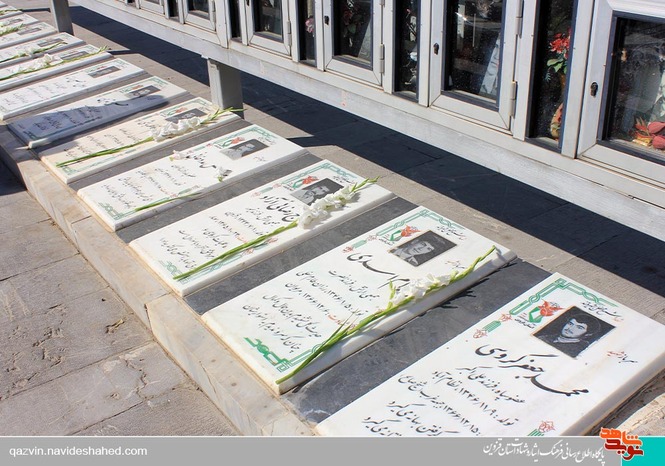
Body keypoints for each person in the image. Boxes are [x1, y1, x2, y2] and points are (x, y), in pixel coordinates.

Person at [536, 311, 602, 358]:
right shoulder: (545, 338)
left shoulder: (578, 350)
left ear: (588, 334)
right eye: (570, 324)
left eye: (579, 327)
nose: (570, 328)